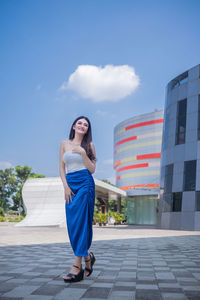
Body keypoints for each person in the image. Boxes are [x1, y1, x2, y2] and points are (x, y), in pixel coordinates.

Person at [59, 116, 96, 283]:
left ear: (87, 129)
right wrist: (66, 187)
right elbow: (61, 167)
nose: (82, 126)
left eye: (86, 125)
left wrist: (83, 153)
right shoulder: (64, 144)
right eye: (80, 123)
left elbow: (92, 169)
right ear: (74, 125)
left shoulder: (89, 146)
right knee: (73, 223)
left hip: (85, 183)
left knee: (81, 223)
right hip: (71, 184)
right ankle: (88, 256)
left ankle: (77, 267)